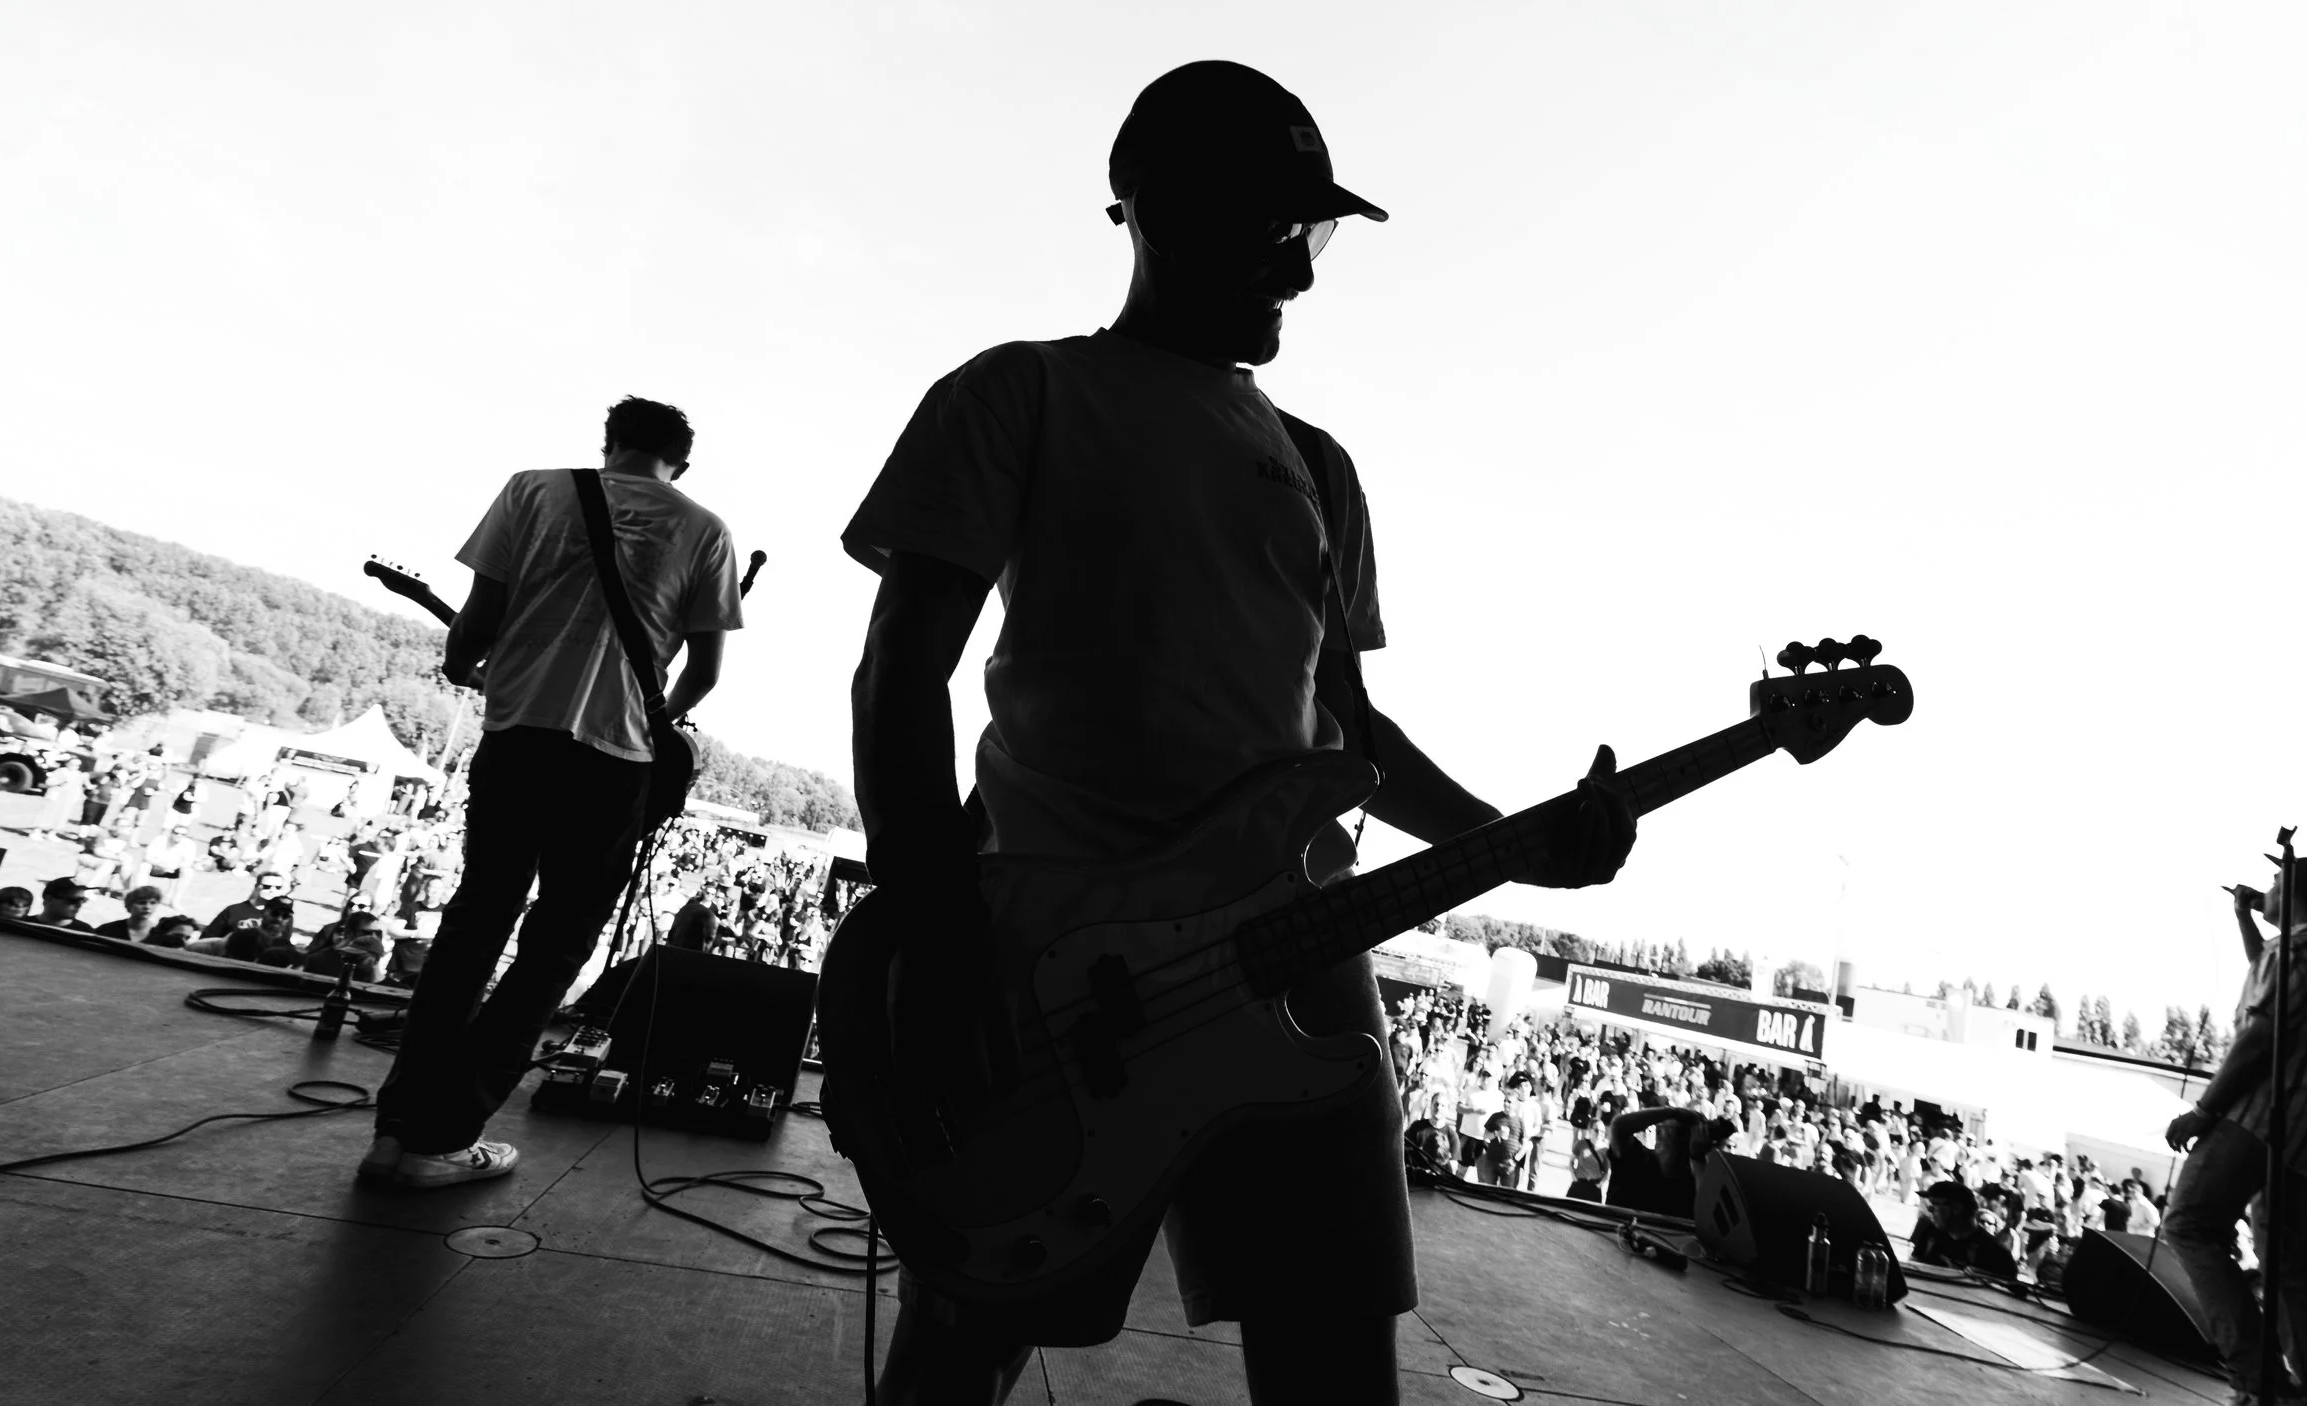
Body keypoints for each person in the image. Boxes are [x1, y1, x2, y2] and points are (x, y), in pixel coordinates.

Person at [841, 60, 1636, 1405]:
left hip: (1297, 959)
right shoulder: (1018, 392)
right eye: (1277, 229)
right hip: (1053, 961)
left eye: (1310, 233)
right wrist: (937, 930)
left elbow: (1352, 735)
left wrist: (1519, 841)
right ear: (1157, 209)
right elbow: (898, 674)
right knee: (960, 1353)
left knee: (1336, 1373)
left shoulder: (1320, 467)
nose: (1303, 273)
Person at [366, 395, 741, 1191]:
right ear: (680, 464)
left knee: (475, 923)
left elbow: (479, 620)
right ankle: (447, 1133)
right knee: (555, 948)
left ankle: (397, 1129)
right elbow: (704, 673)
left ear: (608, 443)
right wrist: (660, 720)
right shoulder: (706, 531)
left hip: (517, 738)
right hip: (615, 759)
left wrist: (462, 665)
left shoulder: (532, 489)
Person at [2162, 856, 2307, 1406]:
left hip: (2256, 1120)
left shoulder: (2292, 953)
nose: (2267, 888)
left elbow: (2260, 1036)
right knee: (2290, 1263)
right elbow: (2277, 986)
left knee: (2190, 1226)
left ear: (2294, 889)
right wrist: (2245, 918)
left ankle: (2258, 1381)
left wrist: (2204, 1111)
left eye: (2277, 881)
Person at [1603, 1105, 1736, 1217]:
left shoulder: (1696, 1178)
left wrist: (1698, 1158)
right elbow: (1619, 1126)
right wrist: (1672, 1112)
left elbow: (1706, 1219)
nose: (1659, 1133)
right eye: (1659, 1129)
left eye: (1666, 1130)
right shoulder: (1638, 1160)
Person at [1909, 1180, 2021, 1279]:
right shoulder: (1930, 1232)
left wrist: (1984, 1276)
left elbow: (2011, 1284)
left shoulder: (1995, 1253)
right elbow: (1913, 1267)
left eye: (1934, 1204)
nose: (1930, 1210)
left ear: (1957, 1208)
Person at [203, 872, 291, 943]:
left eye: (278, 887)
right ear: (257, 886)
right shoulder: (234, 910)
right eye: (267, 886)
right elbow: (207, 938)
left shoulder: (284, 916)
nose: (272, 890)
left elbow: (283, 943)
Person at [95, 885, 169, 942]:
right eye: (142, 903)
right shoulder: (108, 930)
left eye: (153, 903)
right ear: (129, 905)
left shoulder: (159, 934)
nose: (147, 907)